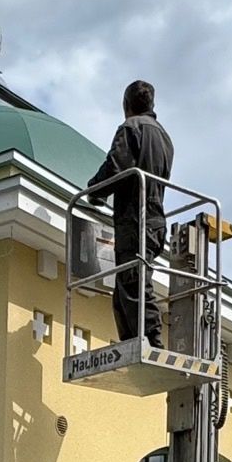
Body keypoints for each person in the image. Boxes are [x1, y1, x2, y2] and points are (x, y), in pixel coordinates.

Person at [87, 79, 171, 345]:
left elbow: (116, 167)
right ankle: (132, 339)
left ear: (126, 105)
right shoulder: (165, 138)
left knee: (134, 281)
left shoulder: (131, 128)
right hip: (156, 219)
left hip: (136, 218)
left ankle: (150, 339)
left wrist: (94, 190)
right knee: (128, 281)